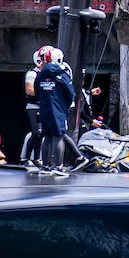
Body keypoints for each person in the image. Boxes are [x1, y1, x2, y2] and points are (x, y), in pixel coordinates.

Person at [37, 48, 75, 176]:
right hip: (58, 108)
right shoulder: (61, 74)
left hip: (44, 108)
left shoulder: (40, 74)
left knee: (47, 136)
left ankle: (45, 166)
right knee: (59, 136)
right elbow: (70, 93)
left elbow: (37, 91)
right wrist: (65, 105)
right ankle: (58, 166)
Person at [21, 46, 53, 164]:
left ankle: (36, 158)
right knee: (36, 133)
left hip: (43, 107)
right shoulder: (32, 74)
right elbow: (29, 90)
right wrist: (45, 93)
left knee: (41, 133)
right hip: (33, 107)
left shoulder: (45, 74)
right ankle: (26, 157)